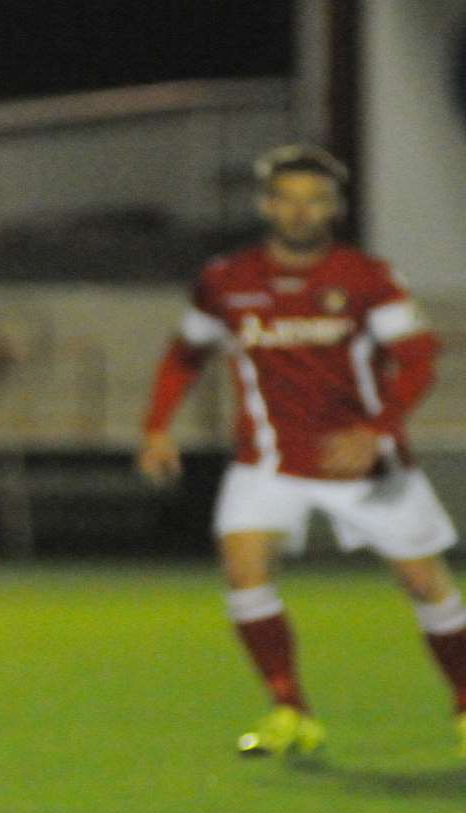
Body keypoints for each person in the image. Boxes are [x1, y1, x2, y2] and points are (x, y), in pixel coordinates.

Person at [136, 144, 461, 758]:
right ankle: (290, 711)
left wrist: (377, 429)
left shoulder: (366, 278)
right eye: (287, 198)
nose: (299, 211)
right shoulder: (227, 281)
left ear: (334, 208)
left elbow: (418, 359)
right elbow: (185, 353)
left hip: (360, 460)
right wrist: (157, 427)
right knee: (244, 571)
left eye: (314, 199)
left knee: (426, 583)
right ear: (266, 205)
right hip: (266, 458)